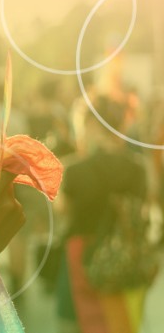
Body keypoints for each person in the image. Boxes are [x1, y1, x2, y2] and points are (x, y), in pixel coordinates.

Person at [56, 95, 153, 333]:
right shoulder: (139, 168)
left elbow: (63, 213)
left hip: (80, 259)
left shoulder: (73, 170)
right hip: (125, 259)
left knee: (74, 326)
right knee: (122, 325)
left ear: (91, 124)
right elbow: (146, 205)